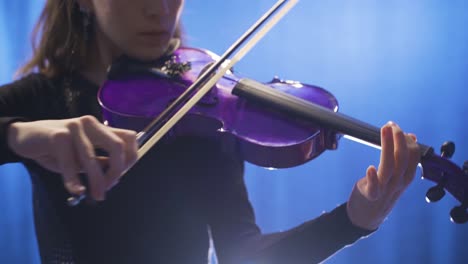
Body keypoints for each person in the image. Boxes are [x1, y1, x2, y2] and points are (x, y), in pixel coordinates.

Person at [0, 0, 420, 263]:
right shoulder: (43, 99)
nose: (161, 8)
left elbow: (245, 254)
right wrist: (20, 136)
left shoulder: (203, 109)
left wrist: (352, 221)